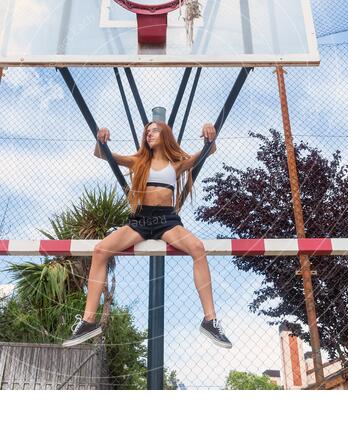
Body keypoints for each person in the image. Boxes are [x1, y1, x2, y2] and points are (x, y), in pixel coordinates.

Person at [62, 120, 232, 349]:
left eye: (154, 130)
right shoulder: (138, 161)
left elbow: (209, 150)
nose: (149, 134)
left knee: (197, 248)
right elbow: (101, 154)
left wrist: (209, 131)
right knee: (100, 250)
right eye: (147, 132)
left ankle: (210, 321)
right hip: (141, 220)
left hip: (167, 221)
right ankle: (88, 321)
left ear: (165, 135)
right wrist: (100, 137)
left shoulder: (177, 164)